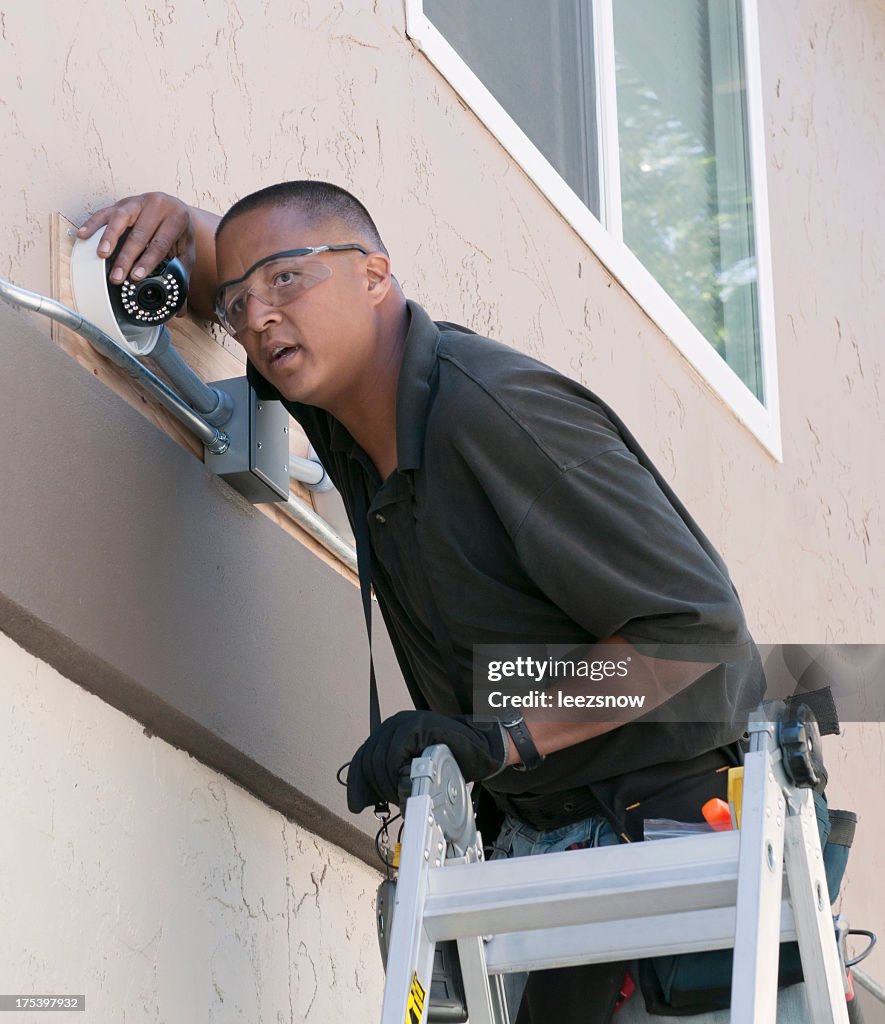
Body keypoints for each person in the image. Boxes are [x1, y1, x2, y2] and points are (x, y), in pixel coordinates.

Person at [78, 182, 790, 1023]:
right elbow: (259, 286)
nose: (258, 317)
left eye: (285, 281)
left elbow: (693, 635)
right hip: (546, 856)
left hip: (670, 859)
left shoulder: (496, 415)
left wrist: (502, 736)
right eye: (238, 303)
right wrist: (187, 231)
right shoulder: (346, 411)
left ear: (376, 275)